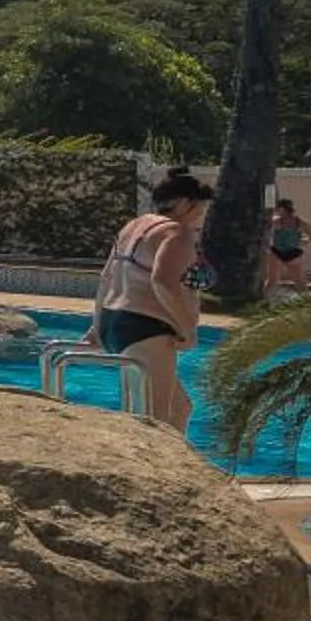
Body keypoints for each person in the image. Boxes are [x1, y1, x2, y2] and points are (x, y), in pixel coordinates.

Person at [92, 170, 215, 432]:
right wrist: (187, 329)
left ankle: (177, 457)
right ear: (185, 203)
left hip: (114, 321)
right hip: (146, 328)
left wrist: (96, 325)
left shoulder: (134, 226)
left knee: (180, 408)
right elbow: (163, 283)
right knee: (156, 419)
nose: (202, 217)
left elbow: (106, 277)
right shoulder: (177, 233)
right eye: (201, 209)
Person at [264, 198, 311, 298]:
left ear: (283, 209)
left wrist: (304, 241)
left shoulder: (299, 222)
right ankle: (265, 300)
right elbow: (267, 229)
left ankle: (305, 301)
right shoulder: (277, 221)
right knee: (272, 280)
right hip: (278, 251)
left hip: (292, 252)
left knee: (298, 280)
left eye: (279, 209)